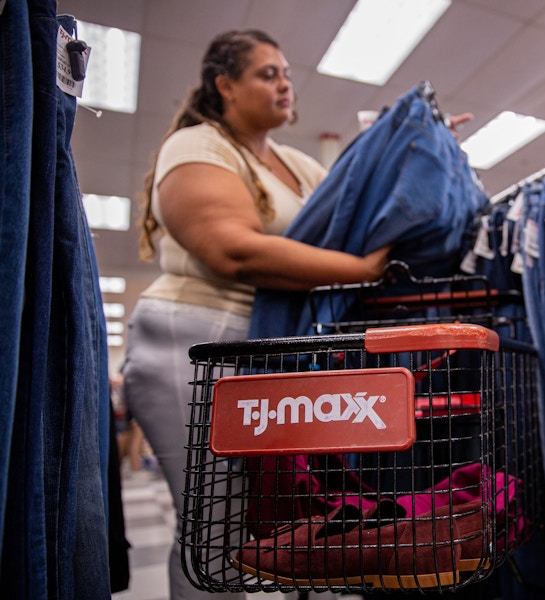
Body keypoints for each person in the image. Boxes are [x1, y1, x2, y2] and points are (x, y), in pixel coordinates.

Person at [121, 29, 398, 600]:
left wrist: (412, 150)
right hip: (193, 339)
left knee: (295, 515)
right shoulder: (199, 145)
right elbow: (233, 250)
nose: (284, 84)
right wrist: (362, 270)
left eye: (287, 73)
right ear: (225, 85)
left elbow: (358, 213)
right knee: (215, 531)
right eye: (267, 74)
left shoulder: (295, 164)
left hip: (268, 349)